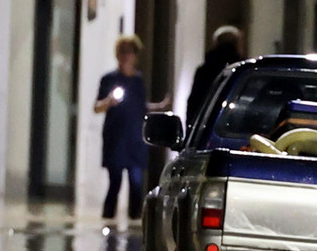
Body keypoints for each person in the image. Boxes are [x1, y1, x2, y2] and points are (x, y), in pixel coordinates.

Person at [94, 35, 170, 221]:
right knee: (115, 182)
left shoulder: (138, 80)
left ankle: (135, 220)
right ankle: (108, 219)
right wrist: (109, 101)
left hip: (135, 138)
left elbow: (139, 106)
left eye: (130, 52)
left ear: (135, 56)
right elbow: (97, 107)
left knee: (136, 182)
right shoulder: (108, 79)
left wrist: (159, 107)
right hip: (115, 137)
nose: (126, 56)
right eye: (123, 52)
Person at [186, 25, 243, 125]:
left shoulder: (204, 70)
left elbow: (194, 102)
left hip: (206, 123)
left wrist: (190, 126)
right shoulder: (241, 69)